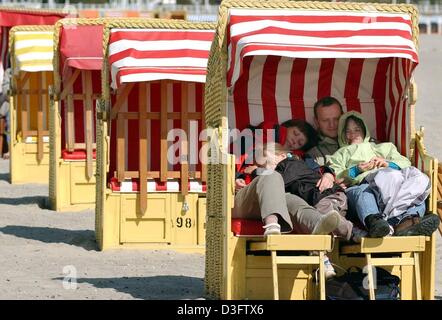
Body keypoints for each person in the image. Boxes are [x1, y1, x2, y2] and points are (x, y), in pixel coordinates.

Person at [232, 119, 340, 278]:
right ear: (286, 128)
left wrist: (328, 173)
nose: (295, 141)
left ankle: (318, 225)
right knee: (272, 176)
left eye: (300, 142)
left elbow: (314, 171)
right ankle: (272, 227)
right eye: (295, 133)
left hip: (275, 200)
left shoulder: (296, 159)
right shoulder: (252, 142)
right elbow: (225, 163)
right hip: (245, 200)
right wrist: (236, 177)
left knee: (294, 201)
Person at [328, 111, 440, 237]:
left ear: (365, 131)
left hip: (391, 181)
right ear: (343, 134)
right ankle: (386, 221)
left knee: (418, 180)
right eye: (347, 131)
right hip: (362, 184)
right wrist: (356, 170)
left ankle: (400, 222)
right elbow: (334, 174)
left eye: (357, 129)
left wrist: (387, 163)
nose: (352, 134)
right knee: (363, 192)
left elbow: (405, 162)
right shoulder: (341, 153)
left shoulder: (383, 148)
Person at [253, 142, 367, 243]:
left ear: (282, 156)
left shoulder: (290, 163)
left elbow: (282, 181)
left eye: (268, 163)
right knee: (320, 222)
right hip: (323, 198)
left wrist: (255, 173)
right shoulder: (285, 168)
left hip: (327, 195)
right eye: (262, 167)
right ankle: (323, 257)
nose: (267, 169)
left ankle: (353, 232)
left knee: (321, 212)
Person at [307, 97, 343, 166]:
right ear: (316, 122)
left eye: (336, 119)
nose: (332, 125)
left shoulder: (360, 137)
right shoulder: (312, 153)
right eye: (325, 120)